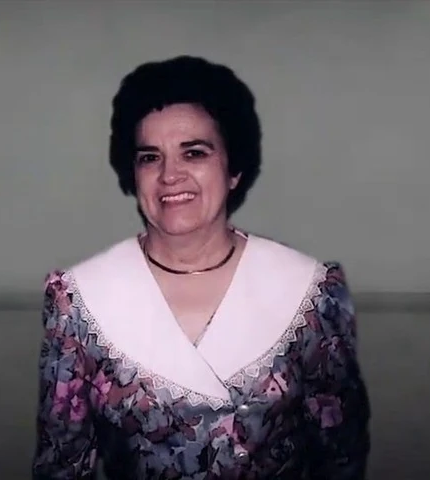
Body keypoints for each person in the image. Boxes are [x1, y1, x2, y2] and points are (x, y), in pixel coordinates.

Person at [31, 55, 370, 479]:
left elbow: (341, 459)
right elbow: (61, 467)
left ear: (234, 169)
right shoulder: (80, 301)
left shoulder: (310, 293)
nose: (170, 175)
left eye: (194, 153)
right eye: (150, 157)